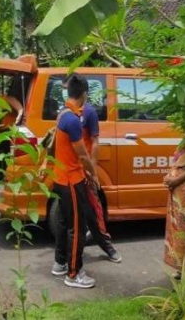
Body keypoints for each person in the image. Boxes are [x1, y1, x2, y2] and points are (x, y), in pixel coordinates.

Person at [53, 75, 121, 267]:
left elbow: (95, 143)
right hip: (74, 176)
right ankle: (69, 267)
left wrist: (93, 168)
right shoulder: (68, 116)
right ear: (84, 93)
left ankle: (107, 247)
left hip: (83, 172)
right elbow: (57, 142)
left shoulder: (87, 113)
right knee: (75, 222)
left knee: (91, 213)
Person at [50, 74, 99, 289]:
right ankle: (73, 273)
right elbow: (82, 155)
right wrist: (94, 174)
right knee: (78, 228)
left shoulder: (64, 114)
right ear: (85, 94)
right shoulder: (72, 120)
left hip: (61, 178)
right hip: (71, 179)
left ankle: (60, 263)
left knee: (64, 223)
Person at [163, 139, 185, 280]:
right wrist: (170, 177)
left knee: (184, 228)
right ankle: (181, 267)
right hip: (177, 190)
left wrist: (176, 180)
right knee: (176, 228)